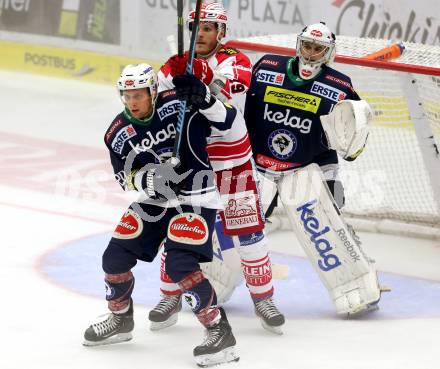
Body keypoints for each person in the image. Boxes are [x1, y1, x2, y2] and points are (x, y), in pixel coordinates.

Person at [82, 63, 241, 367]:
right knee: (113, 257)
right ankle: (120, 320)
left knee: (181, 263)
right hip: (156, 200)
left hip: (196, 196)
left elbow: (229, 121)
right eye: (127, 95)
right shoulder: (117, 133)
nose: (133, 102)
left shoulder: (179, 103)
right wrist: (151, 179)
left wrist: (205, 98)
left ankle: (219, 331)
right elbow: (126, 177)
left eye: (139, 94)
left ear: (153, 91)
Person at [153, 1, 285, 334]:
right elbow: (158, 96)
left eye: (208, 28)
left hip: (231, 161)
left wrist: (197, 74)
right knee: (178, 231)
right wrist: (173, 78)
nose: (200, 35)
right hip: (193, 160)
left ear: (221, 32)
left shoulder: (235, 60)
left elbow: (225, 90)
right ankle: (170, 297)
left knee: (249, 233)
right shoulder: (175, 64)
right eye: (196, 28)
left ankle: (263, 299)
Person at [243, 22, 383, 315]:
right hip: (260, 165)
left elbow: (349, 135)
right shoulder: (266, 66)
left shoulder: (340, 86)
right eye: (307, 45)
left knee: (325, 230)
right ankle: (213, 282)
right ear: (298, 45)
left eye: (318, 48)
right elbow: (248, 114)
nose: (311, 52)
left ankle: (356, 288)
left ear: (328, 53)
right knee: (239, 226)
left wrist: (338, 166)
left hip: (307, 168)